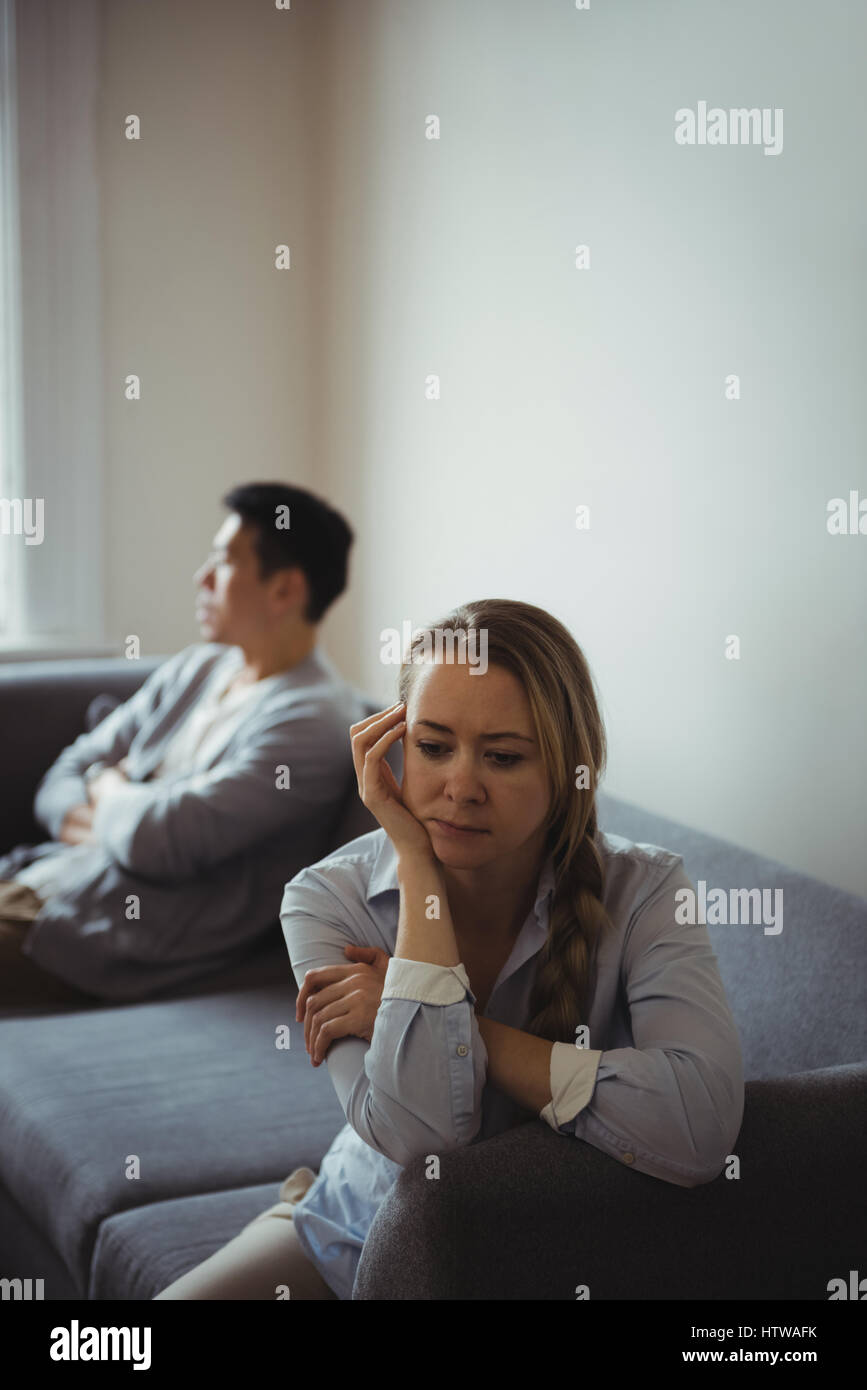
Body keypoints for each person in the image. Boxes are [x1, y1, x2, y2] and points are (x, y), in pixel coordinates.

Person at [154, 598, 744, 1301]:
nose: (460, 788)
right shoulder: (325, 900)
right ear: (393, 746)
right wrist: (415, 863)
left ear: (566, 770)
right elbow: (419, 1147)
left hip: (551, 1256)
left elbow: (697, 1126)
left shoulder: (646, 891)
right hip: (353, 1229)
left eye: (502, 757)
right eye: (432, 748)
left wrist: (453, 1026)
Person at [0, 482, 369, 1007]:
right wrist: (114, 821)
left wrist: (107, 787)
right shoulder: (201, 667)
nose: (202, 577)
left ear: (284, 590)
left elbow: (160, 838)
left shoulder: (310, 722)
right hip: (43, 877)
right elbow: (66, 770)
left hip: (102, 935)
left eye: (223, 561)